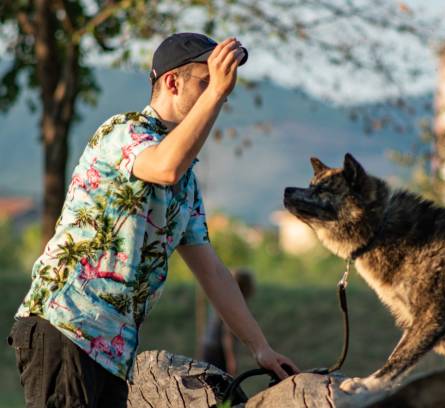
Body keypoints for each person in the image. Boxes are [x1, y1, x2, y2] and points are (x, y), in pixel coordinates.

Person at [7, 32, 298, 407]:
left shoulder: (186, 183)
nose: (220, 92)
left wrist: (261, 349)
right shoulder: (124, 132)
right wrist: (216, 95)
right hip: (66, 326)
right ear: (172, 82)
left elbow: (212, 272)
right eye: (206, 82)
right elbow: (164, 167)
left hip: (111, 351)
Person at [202, 268, 255, 375]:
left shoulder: (220, 296)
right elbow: (228, 334)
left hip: (208, 344)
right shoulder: (234, 304)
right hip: (218, 350)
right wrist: (231, 360)